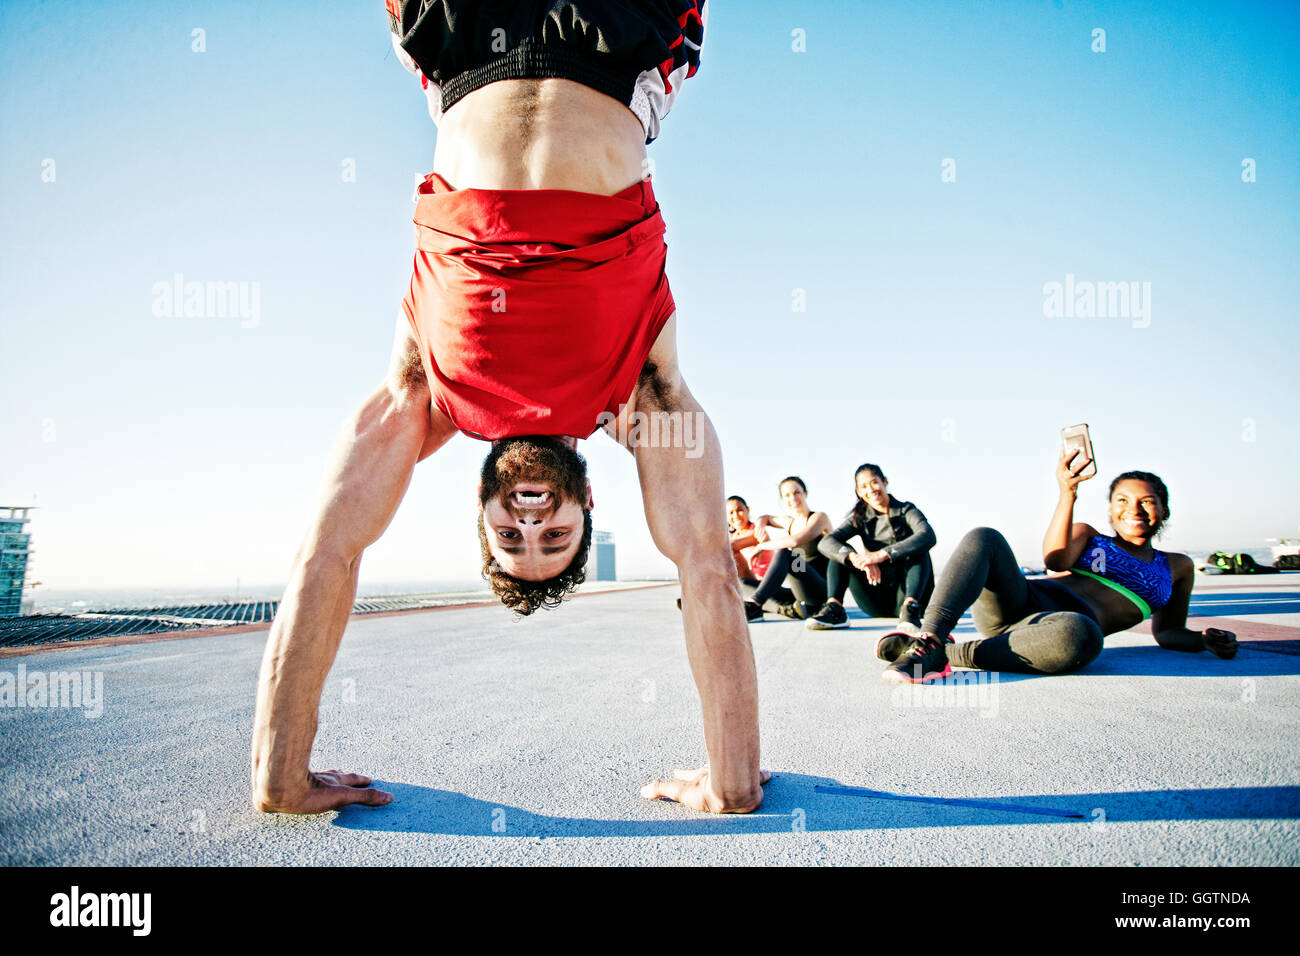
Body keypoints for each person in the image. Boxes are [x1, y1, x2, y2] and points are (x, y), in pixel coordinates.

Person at [251, 0, 768, 817]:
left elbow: (328, 551)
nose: (531, 520)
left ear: (484, 505)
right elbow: (707, 564)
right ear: (587, 501)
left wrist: (279, 777)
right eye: (553, 537)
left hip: (463, 49)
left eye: (511, 535)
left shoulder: (428, 399)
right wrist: (733, 783)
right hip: (616, 43)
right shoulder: (638, 397)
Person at [880, 447, 1239, 683]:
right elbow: (1054, 560)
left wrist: (1203, 641)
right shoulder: (1090, 536)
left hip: (1057, 629)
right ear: (1111, 509)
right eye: (1123, 500)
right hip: (1022, 602)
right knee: (985, 536)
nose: (1134, 509)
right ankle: (929, 640)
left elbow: (1168, 632)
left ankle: (949, 654)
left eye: (1147, 501)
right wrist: (1068, 491)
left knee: (1082, 635)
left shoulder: (1177, 566)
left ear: (1164, 510)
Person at [807, 463, 936, 631]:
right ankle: (835, 609)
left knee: (918, 547)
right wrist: (856, 558)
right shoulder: (860, 517)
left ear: (885, 482)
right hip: (877, 598)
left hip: (912, 596)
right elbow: (826, 542)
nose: (871, 489)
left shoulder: (906, 510)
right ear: (859, 492)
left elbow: (928, 535)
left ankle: (910, 608)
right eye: (864, 487)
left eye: (874, 482)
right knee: (841, 552)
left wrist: (881, 554)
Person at [744, 477, 831, 622]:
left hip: (820, 592)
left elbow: (794, 541)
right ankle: (785, 609)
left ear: (805, 493)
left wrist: (761, 546)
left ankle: (755, 605)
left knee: (785, 553)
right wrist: (760, 526)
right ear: (783, 500)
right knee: (743, 583)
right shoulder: (790, 522)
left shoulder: (819, 518)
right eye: (787, 495)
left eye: (797, 492)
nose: (793, 498)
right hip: (799, 592)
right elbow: (765, 517)